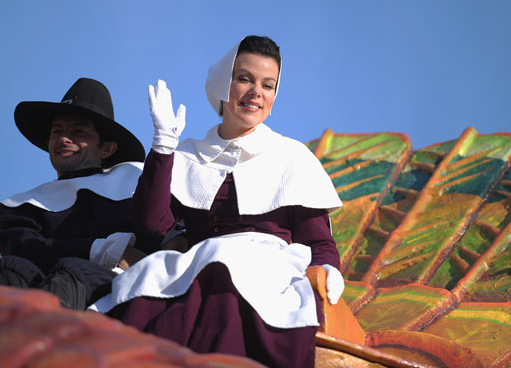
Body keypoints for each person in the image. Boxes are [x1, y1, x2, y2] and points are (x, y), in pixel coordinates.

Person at [91, 36, 344, 367]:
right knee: (151, 275)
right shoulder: (191, 154)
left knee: (223, 260)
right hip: (199, 265)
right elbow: (152, 223)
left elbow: (317, 241)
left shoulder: (293, 156)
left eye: (268, 85)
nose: (256, 92)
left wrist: (329, 270)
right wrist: (164, 147)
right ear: (223, 84)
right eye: (244, 79)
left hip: (269, 270)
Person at [0, 77, 162, 310]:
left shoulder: (138, 183)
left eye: (79, 132)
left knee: (72, 271)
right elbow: (24, 249)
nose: (64, 139)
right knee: (8, 269)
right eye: (57, 131)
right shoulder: (21, 207)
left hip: (125, 289)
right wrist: (100, 250)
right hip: (47, 289)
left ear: (107, 148)